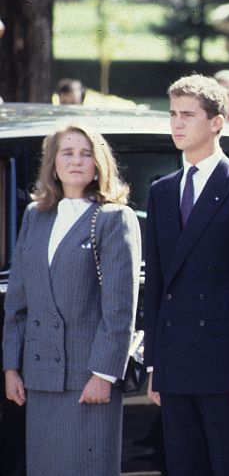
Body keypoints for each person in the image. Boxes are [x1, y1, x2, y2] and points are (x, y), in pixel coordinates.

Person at [143, 75, 229, 476]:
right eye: (172, 114)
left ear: (217, 122)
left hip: (227, 365)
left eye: (188, 115)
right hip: (175, 364)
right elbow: (156, 283)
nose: (177, 123)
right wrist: (155, 365)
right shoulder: (162, 191)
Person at [3, 124, 140, 475]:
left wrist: (103, 374)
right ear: (52, 163)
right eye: (67, 152)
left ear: (99, 164)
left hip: (88, 378)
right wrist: (11, 366)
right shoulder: (36, 215)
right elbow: (17, 301)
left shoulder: (113, 218)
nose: (76, 161)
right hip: (41, 376)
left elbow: (119, 306)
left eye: (86, 153)